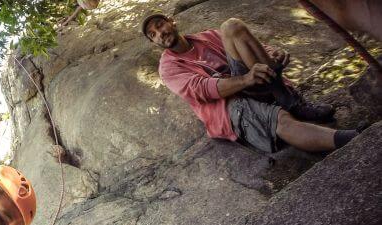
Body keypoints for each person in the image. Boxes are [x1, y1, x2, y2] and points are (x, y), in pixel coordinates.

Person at [142, 13, 361, 153]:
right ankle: (354, 139)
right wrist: (246, 79)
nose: (160, 33)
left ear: (172, 21)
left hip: (254, 84)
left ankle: (290, 100)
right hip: (229, 104)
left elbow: (250, 46)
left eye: (160, 25)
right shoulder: (169, 68)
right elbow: (203, 90)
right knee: (282, 119)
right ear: (154, 42)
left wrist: (271, 53)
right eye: (153, 34)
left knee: (232, 26)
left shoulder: (207, 37)